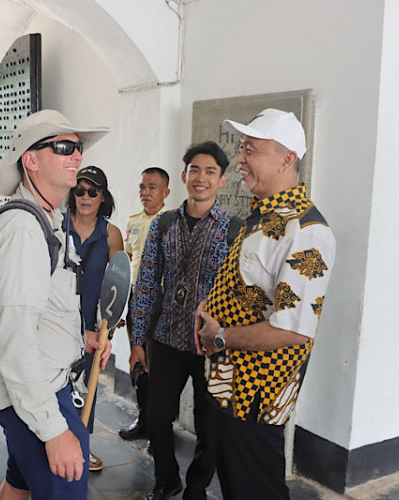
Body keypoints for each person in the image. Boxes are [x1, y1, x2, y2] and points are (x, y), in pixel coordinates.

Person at [195, 109, 336, 499]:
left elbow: (291, 330)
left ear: (286, 158)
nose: (239, 159)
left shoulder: (307, 232)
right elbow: (245, 283)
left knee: (256, 489)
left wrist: (220, 336)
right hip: (228, 388)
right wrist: (206, 306)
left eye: (250, 150)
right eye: (242, 148)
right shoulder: (264, 214)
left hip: (256, 398)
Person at [0, 109, 111, 499]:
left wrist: (80, 338)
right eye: (64, 147)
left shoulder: (47, 219)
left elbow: (42, 311)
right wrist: (53, 430)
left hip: (38, 386)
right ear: (31, 160)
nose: (77, 156)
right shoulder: (24, 229)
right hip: (37, 395)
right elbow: (17, 344)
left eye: (78, 148)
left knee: (16, 491)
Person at [131, 142, 238, 500]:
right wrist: (137, 340)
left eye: (210, 172)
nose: (201, 178)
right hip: (165, 339)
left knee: (211, 427)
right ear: (184, 175)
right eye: (195, 170)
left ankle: (196, 489)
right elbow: (147, 281)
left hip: (211, 347)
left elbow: (242, 292)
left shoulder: (234, 229)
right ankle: (167, 478)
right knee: (157, 417)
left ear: (221, 180)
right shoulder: (164, 223)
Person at [63, 165, 123, 472]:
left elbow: (117, 282)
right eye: (79, 190)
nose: (85, 197)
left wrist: (110, 323)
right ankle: (55, 447)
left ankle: (81, 447)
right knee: (56, 387)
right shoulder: (57, 225)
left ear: (103, 197)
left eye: (93, 191)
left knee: (87, 389)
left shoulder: (111, 234)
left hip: (92, 326)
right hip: (58, 324)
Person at [118, 167, 170, 442]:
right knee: (138, 362)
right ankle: (143, 418)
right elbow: (127, 259)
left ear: (166, 192)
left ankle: (160, 427)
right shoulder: (134, 221)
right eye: (142, 187)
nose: (145, 192)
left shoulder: (171, 223)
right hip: (137, 300)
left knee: (158, 366)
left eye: (152, 187)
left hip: (161, 304)